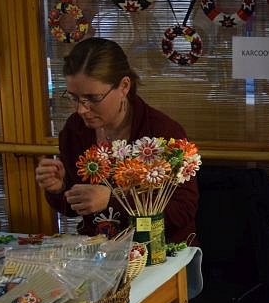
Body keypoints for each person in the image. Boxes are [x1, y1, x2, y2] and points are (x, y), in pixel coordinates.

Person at [35, 37, 198, 242]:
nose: (81, 109)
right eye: (74, 97)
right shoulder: (75, 129)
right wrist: (59, 189)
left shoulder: (162, 133)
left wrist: (113, 200)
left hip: (159, 249)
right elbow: (72, 209)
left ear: (124, 86)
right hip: (100, 249)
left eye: (93, 98)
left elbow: (183, 211)